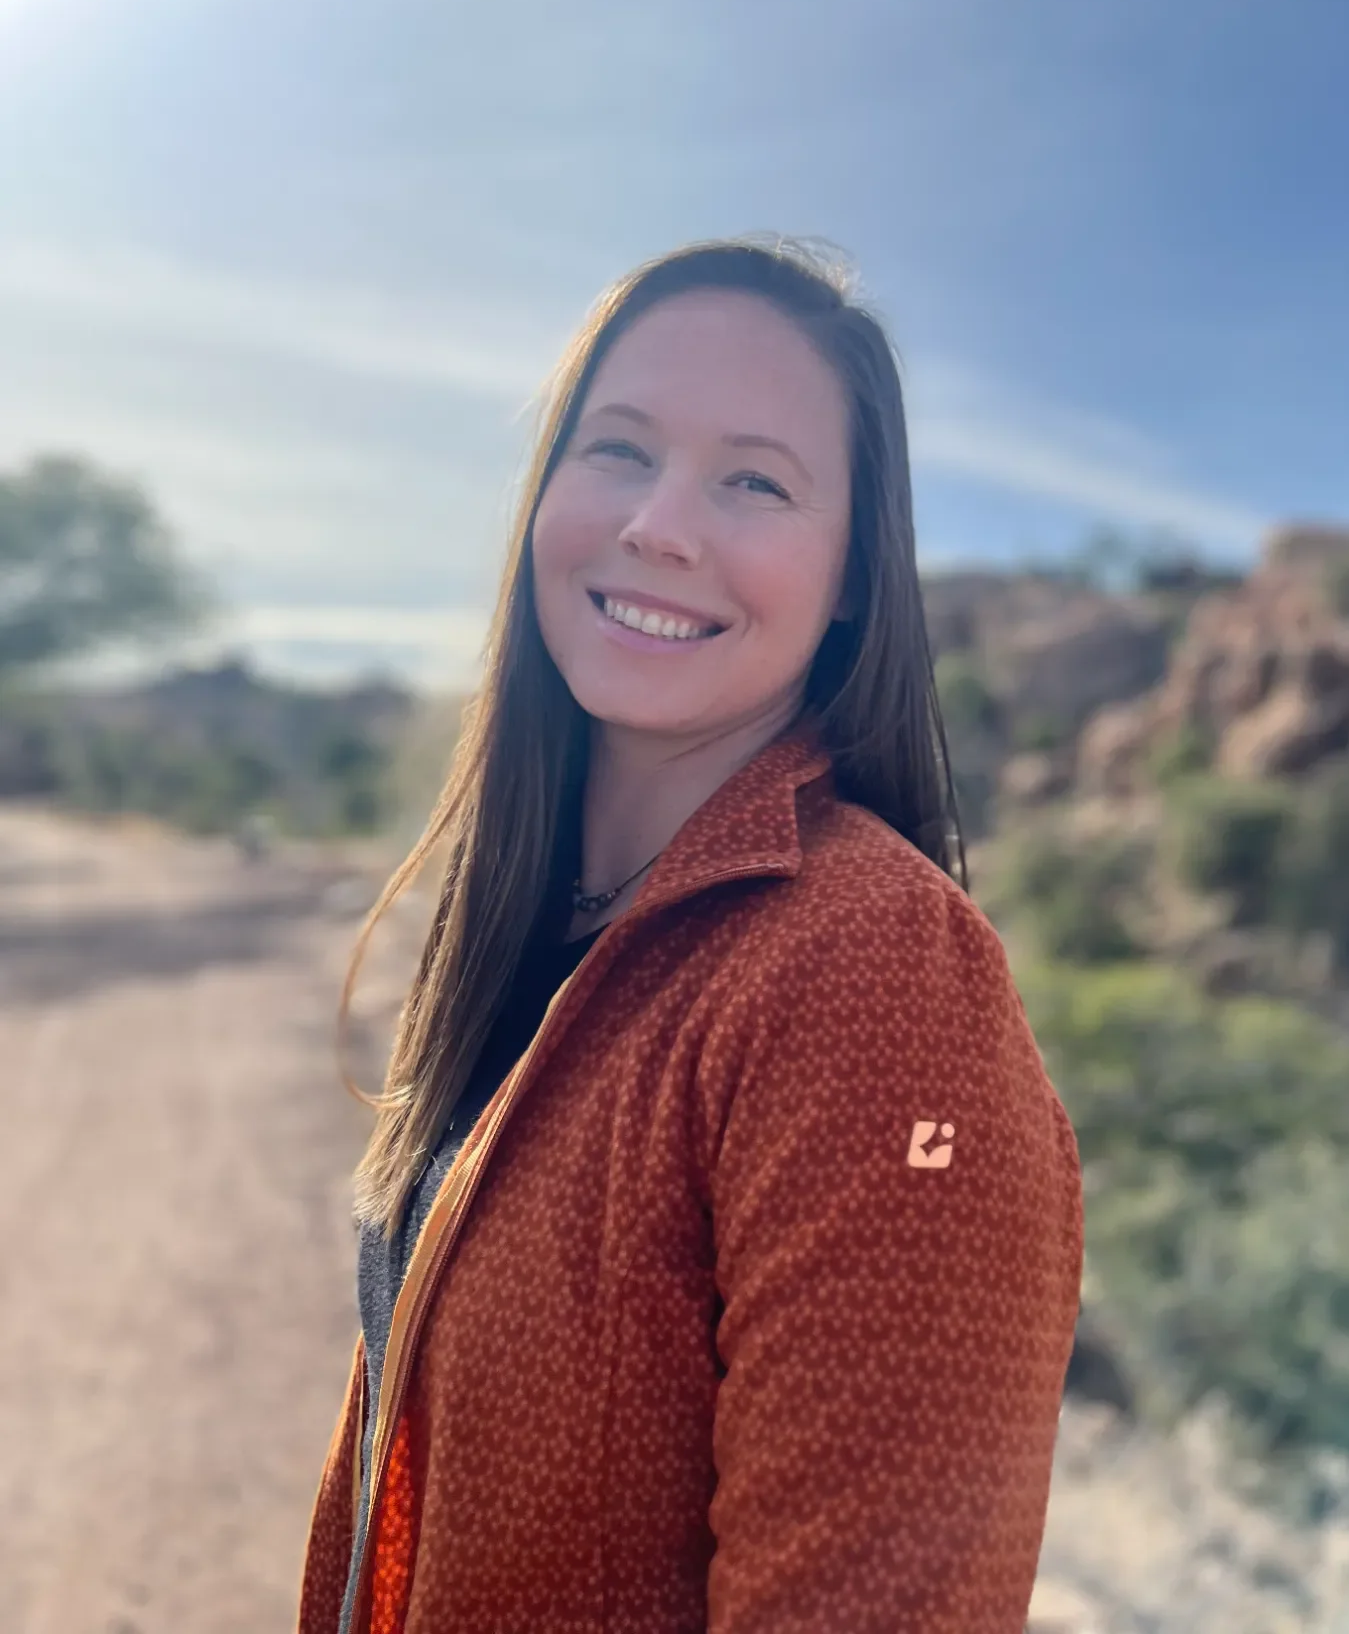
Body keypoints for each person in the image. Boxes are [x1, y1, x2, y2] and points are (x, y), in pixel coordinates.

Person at [298, 238, 1083, 1634]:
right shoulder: (534, 924)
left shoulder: (872, 970)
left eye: (755, 481)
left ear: (852, 576)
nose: (662, 526)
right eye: (619, 449)